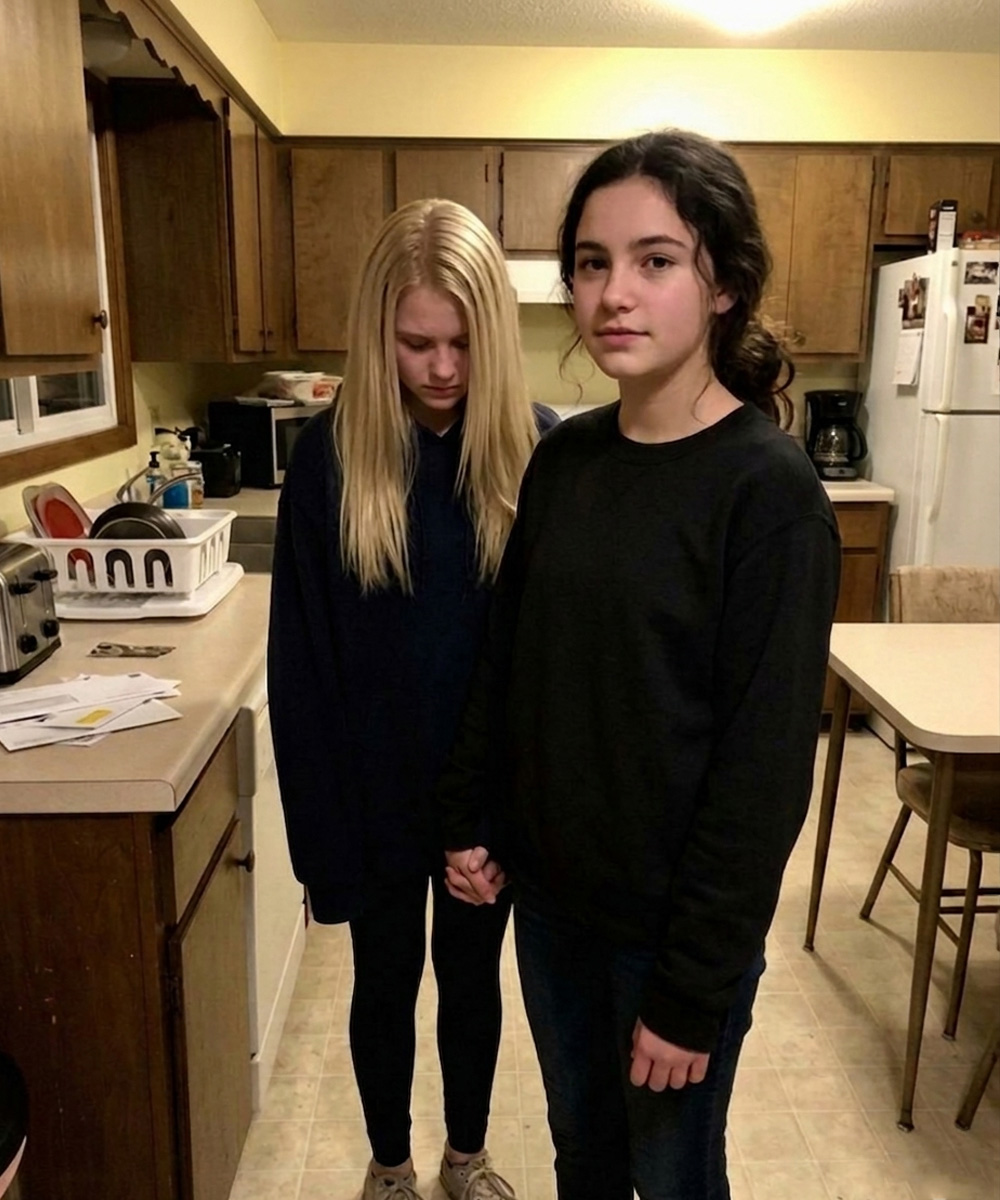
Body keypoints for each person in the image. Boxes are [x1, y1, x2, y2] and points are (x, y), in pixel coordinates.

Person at [438, 130, 841, 1200]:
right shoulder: (566, 458)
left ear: (724, 284)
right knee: (583, 1156)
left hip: (669, 940)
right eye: (591, 262)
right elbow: (511, 662)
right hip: (553, 911)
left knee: (671, 1179)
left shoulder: (768, 494)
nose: (613, 293)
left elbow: (763, 774)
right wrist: (473, 816)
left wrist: (692, 991)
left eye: (655, 260)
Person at [268, 198, 557, 1200]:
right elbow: (302, 668)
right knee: (383, 986)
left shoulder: (537, 453)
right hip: (372, 798)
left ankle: (465, 1157)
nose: (441, 369)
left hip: (484, 803)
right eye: (416, 343)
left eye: (463, 344)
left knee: (472, 987)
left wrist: (503, 823)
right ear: (376, 334)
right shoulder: (329, 461)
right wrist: (322, 847)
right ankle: (389, 1167)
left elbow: (541, 667)